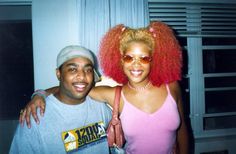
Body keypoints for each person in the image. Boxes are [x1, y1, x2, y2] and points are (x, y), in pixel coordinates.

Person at [20, 21, 189, 154]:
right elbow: (74, 87)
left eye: (144, 58)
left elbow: (183, 131)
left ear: (153, 60)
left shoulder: (171, 87)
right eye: (129, 57)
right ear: (121, 61)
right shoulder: (114, 95)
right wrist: (40, 93)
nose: (136, 64)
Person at [10, 45, 112, 154]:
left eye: (88, 70)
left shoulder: (100, 107)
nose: (82, 76)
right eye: (73, 69)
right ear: (59, 74)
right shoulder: (35, 116)